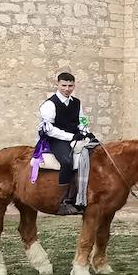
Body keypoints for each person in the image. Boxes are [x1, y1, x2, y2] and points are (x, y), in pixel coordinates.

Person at [38, 71, 92, 216]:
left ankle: (83, 197)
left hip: (76, 138)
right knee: (67, 161)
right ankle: (63, 201)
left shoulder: (77, 102)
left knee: (96, 155)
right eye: (64, 85)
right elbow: (49, 129)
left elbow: (82, 120)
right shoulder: (49, 104)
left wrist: (85, 131)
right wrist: (71, 136)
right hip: (56, 140)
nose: (67, 89)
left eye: (70, 85)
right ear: (58, 84)